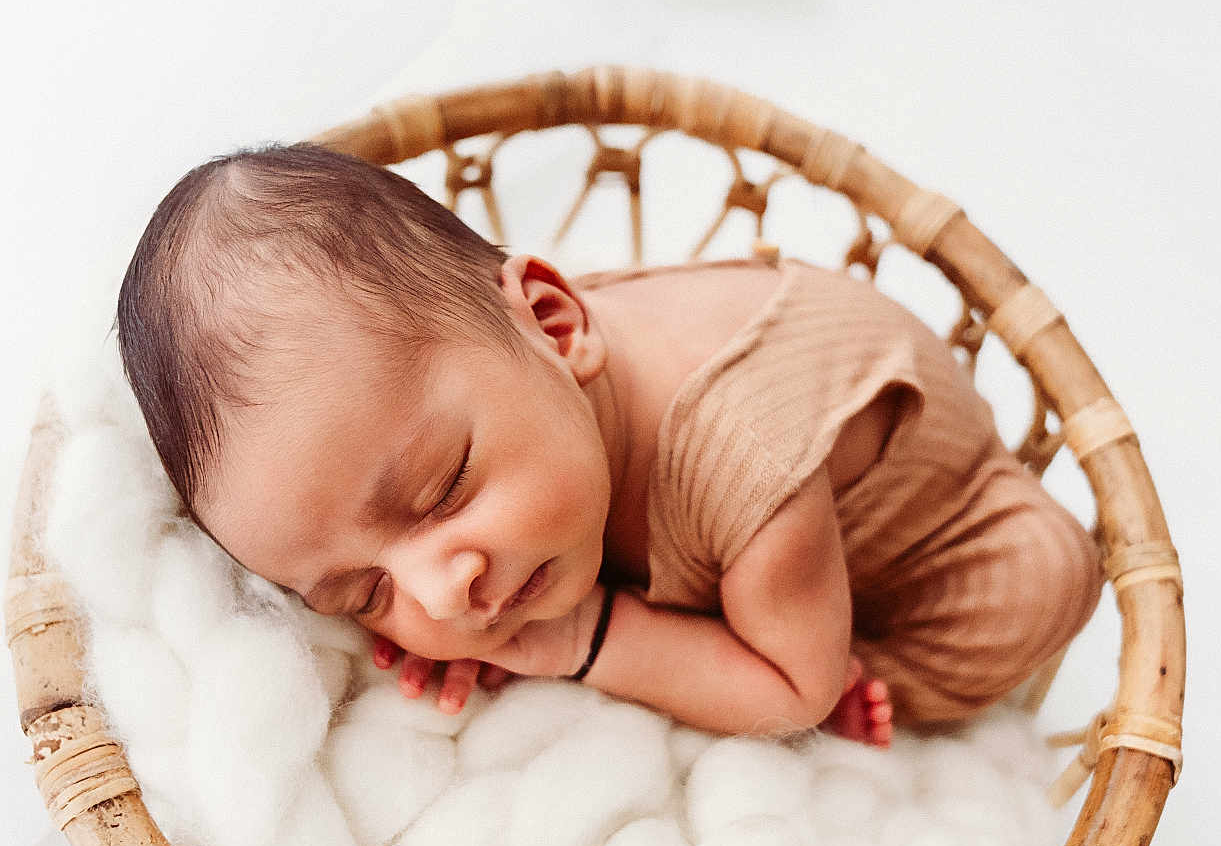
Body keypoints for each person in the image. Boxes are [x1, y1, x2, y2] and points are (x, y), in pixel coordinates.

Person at [114, 142, 1103, 747]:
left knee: (1046, 576)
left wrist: (581, 638)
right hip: (740, 535)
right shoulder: (524, 396)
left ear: (553, 319)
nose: (440, 592)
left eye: (442, 488)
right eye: (360, 592)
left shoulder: (743, 462)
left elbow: (793, 694)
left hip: (927, 541)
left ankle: (867, 655)